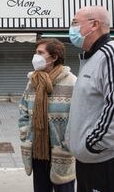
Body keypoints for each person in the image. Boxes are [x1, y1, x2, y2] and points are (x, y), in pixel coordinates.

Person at [65, 6, 114, 192]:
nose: (71, 28)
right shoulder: (92, 58)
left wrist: (91, 146)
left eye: (75, 22)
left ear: (94, 25)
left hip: (108, 163)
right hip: (91, 161)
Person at [18, 38, 76, 192]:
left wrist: (67, 143)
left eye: (40, 53)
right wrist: (25, 134)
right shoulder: (32, 82)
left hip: (62, 152)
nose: (35, 56)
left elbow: (78, 117)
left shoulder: (72, 83)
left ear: (54, 57)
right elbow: (23, 109)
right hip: (38, 150)